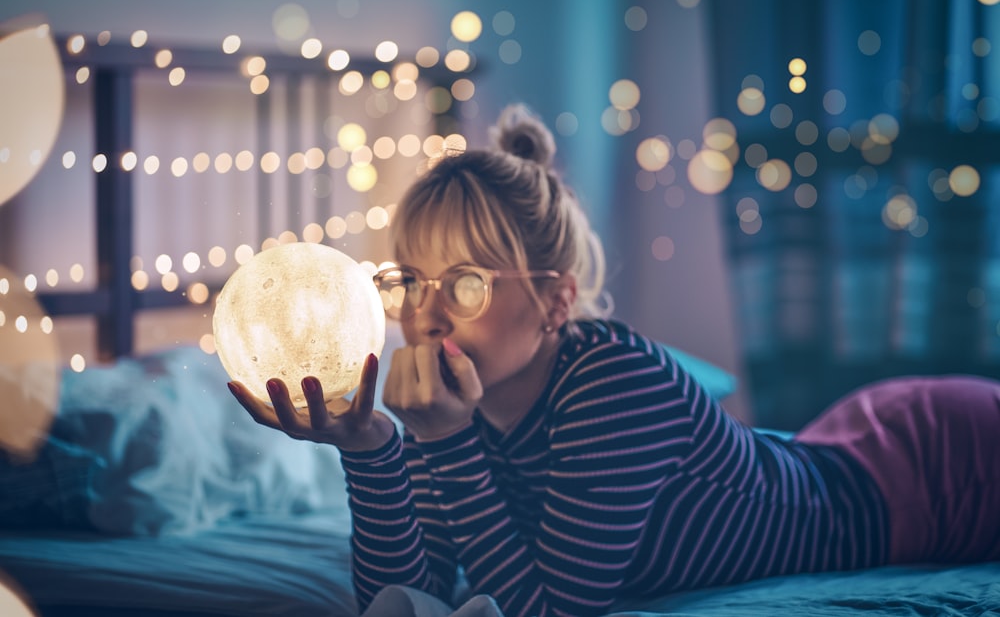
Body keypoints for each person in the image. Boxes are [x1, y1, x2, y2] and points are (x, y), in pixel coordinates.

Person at [228, 104, 1000, 617]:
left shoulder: (612, 381)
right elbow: (410, 592)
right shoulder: (447, 407)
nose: (424, 313)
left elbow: (554, 610)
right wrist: (375, 452)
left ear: (557, 300)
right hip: (837, 445)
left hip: (928, 471)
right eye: (411, 281)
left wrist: (442, 443)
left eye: (464, 282)